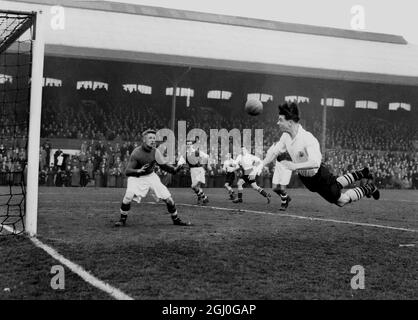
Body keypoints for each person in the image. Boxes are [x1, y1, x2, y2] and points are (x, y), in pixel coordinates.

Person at [262, 102, 379, 208]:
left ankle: (369, 188)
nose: (278, 123)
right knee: (336, 184)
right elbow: (274, 151)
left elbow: (315, 162)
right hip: (307, 179)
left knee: (341, 201)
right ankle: (363, 172)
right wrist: (261, 163)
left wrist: (294, 166)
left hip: (319, 177)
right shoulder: (285, 136)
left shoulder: (307, 138)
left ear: (290, 122)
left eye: (280, 120)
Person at [115, 129, 191, 227]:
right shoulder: (136, 153)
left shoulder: (156, 152)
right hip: (136, 177)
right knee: (128, 196)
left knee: (169, 199)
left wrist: (175, 169)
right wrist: (138, 171)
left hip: (151, 176)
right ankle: (122, 219)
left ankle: (176, 219)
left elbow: (164, 166)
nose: (153, 140)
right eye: (150, 138)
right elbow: (127, 171)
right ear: (144, 140)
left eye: (154, 138)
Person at [263, 137, 293, 210]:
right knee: (274, 188)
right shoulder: (275, 145)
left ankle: (284, 205)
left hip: (287, 168)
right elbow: (270, 154)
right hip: (278, 168)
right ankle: (286, 197)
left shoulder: (290, 145)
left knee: (282, 189)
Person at [180, 139, 210, 205]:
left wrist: (207, 165)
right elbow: (180, 163)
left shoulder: (197, 152)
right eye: (187, 144)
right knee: (197, 187)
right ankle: (201, 199)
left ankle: (204, 197)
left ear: (192, 145)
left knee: (193, 186)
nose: (189, 145)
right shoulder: (185, 154)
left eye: (190, 144)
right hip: (192, 171)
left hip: (199, 169)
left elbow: (207, 156)